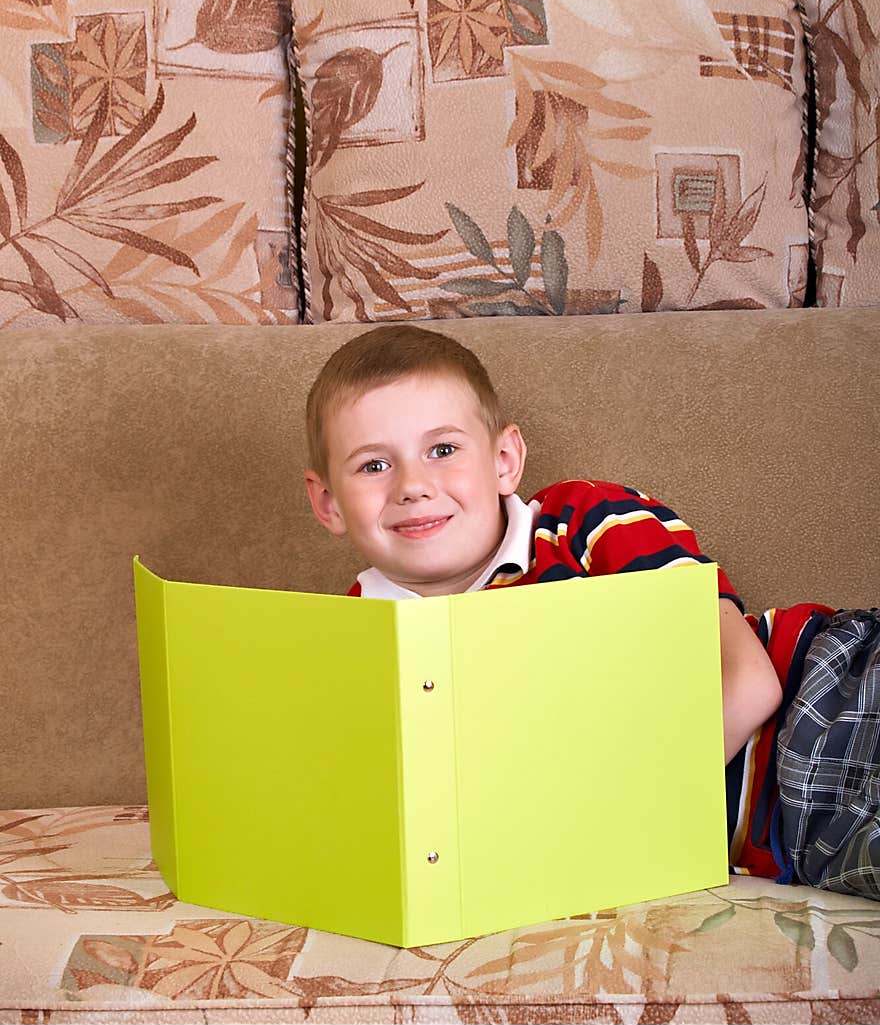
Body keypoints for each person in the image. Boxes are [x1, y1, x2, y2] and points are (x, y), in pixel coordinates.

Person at [305, 323, 878, 898]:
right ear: (328, 502)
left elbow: (749, 683)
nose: (413, 485)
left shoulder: (583, 522)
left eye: (443, 450)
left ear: (504, 460)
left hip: (824, 700)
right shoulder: (350, 643)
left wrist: (595, 825)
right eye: (374, 465)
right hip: (798, 841)